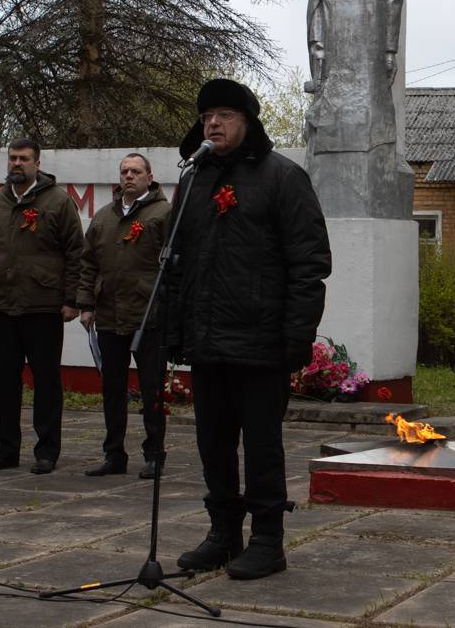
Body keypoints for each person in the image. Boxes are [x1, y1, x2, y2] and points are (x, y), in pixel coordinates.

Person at [170, 78, 331, 581]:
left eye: (224, 115)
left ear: (248, 121)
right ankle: (223, 535)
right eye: (206, 117)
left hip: (262, 343)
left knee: (261, 446)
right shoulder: (193, 180)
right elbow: (177, 263)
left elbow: (310, 265)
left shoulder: (283, 177)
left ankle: (267, 540)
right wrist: (177, 332)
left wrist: (295, 339)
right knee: (212, 443)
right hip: (208, 342)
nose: (213, 124)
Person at [303, 0, 413, 219]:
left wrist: (389, 47)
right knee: (333, 102)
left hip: (373, 18)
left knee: (372, 107)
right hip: (336, 21)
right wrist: (317, 47)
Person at [0, 139, 83, 474]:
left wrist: (71, 299)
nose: (16, 164)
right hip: (4, 304)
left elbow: (76, 252)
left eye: (23, 159)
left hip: (44, 306)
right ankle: (6, 449)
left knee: (46, 381)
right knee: (5, 381)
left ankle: (46, 451)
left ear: (37, 163)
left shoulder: (58, 201)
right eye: (12, 159)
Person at [77, 153, 170, 479]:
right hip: (109, 316)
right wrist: (86, 304)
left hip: (149, 317)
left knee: (151, 389)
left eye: (136, 171)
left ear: (149, 176)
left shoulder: (164, 213)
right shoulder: (103, 218)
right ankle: (114, 454)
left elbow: (176, 264)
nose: (129, 176)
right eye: (124, 171)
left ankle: (154, 453)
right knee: (112, 389)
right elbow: (87, 264)